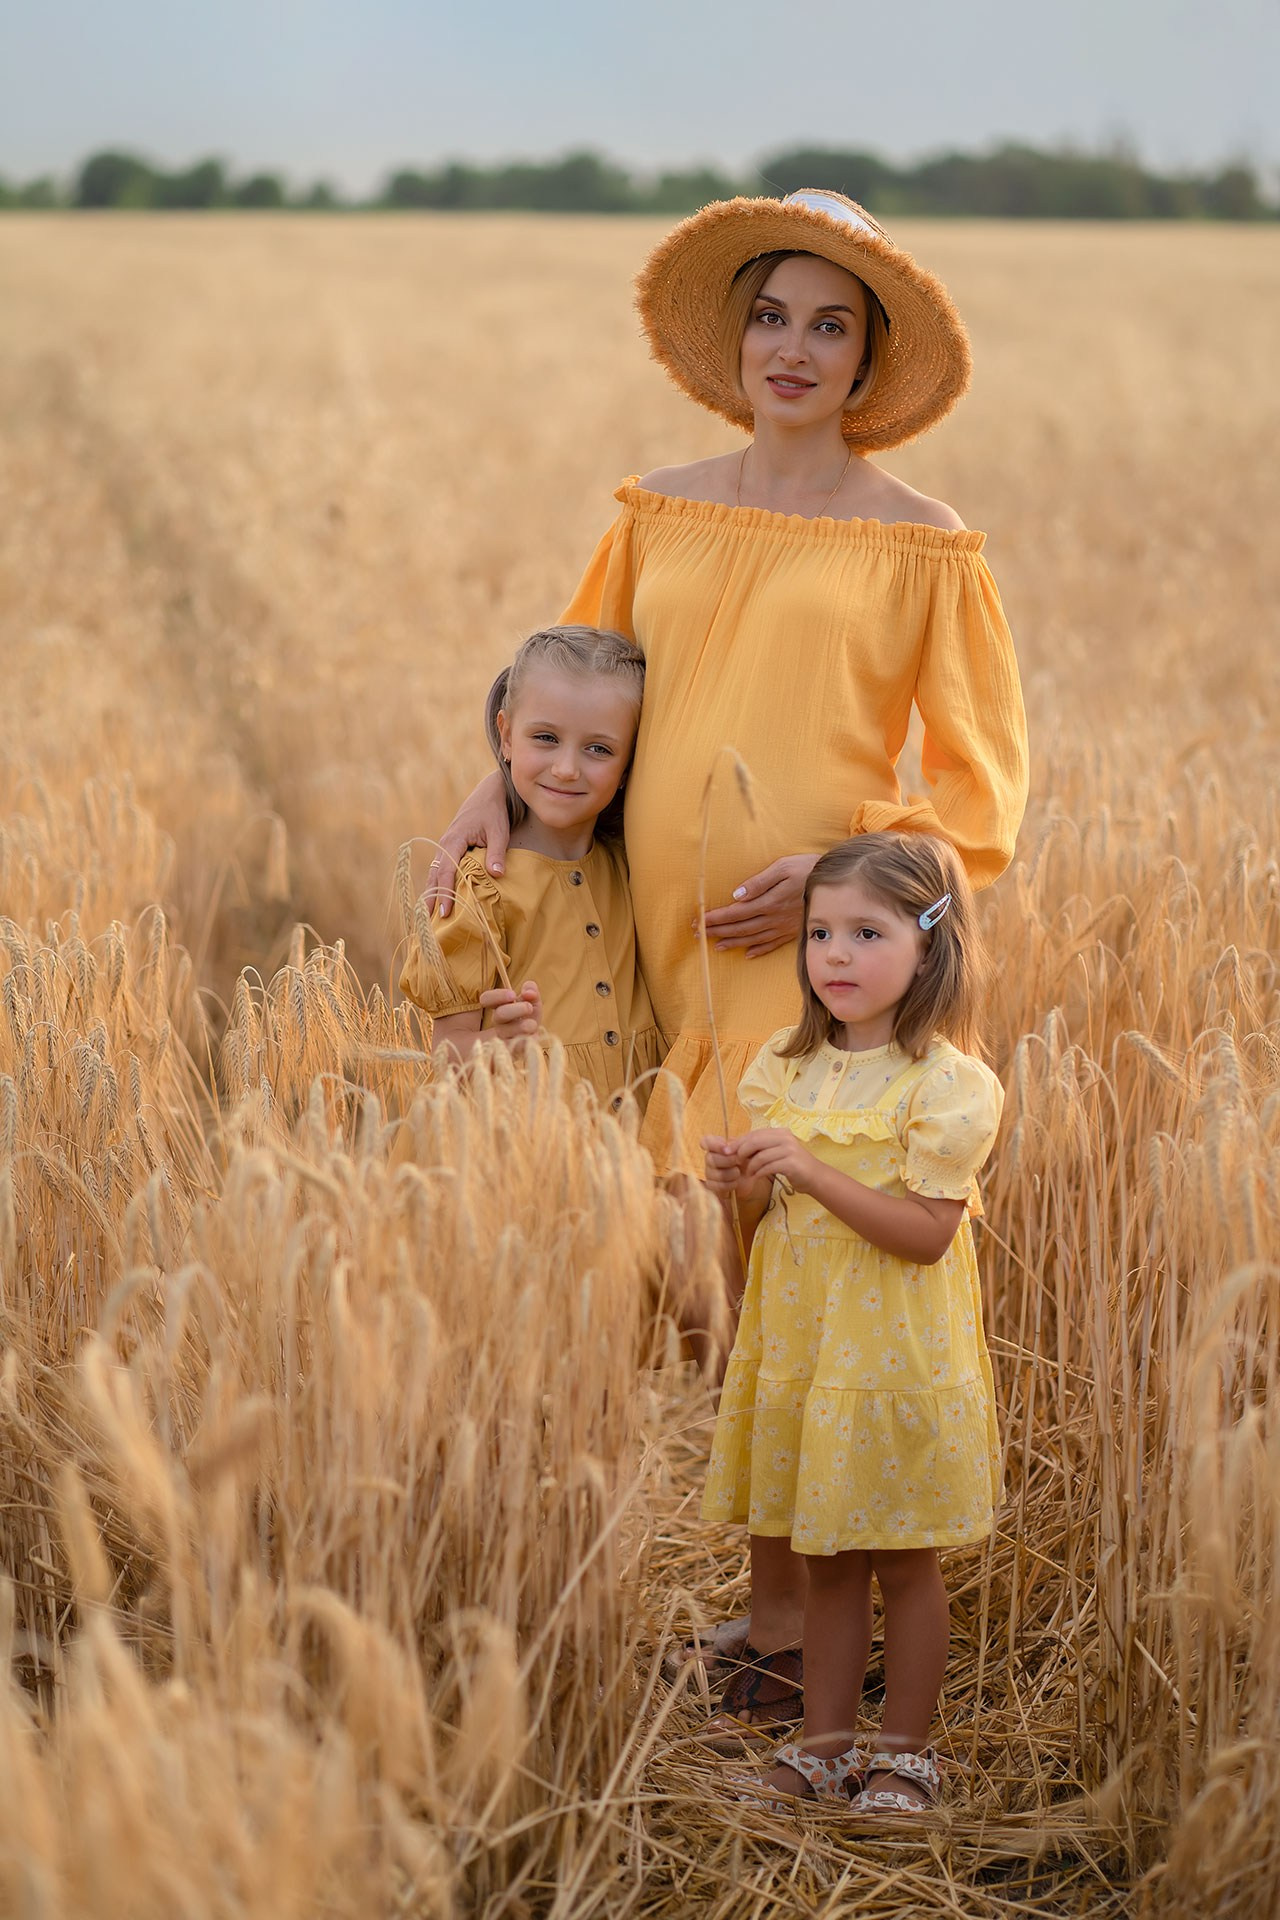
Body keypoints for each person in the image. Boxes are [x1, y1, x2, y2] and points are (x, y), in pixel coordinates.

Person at [426, 188, 1028, 1697]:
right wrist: (484, 795)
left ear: (870, 361)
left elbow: (978, 796)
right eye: (774, 315)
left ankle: (786, 1642)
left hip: (805, 959)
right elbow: (569, 683)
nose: (796, 349)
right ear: (736, 335)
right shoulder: (659, 511)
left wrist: (835, 867)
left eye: (834, 325)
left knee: (795, 1278)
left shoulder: (926, 545)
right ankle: (775, 1630)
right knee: (704, 1287)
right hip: (647, 945)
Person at [700, 833, 1003, 1814]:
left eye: (865, 932)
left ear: (929, 945)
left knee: (903, 1563)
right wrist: (735, 1191)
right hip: (811, 1353)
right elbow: (757, 1245)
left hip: (894, 1361)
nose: (833, 954)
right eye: (818, 931)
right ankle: (822, 1747)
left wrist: (810, 1171)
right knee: (825, 1559)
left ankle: (903, 1756)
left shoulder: (945, 1085)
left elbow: (921, 1236)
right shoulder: (783, 1071)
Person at [401, 624, 663, 1108]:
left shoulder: (632, 864)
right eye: (545, 738)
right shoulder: (481, 886)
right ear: (505, 736)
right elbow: (444, 1053)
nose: (566, 768)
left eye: (598, 749)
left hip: (628, 1146)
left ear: (629, 764)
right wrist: (497, 1046)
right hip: (525, 1144)